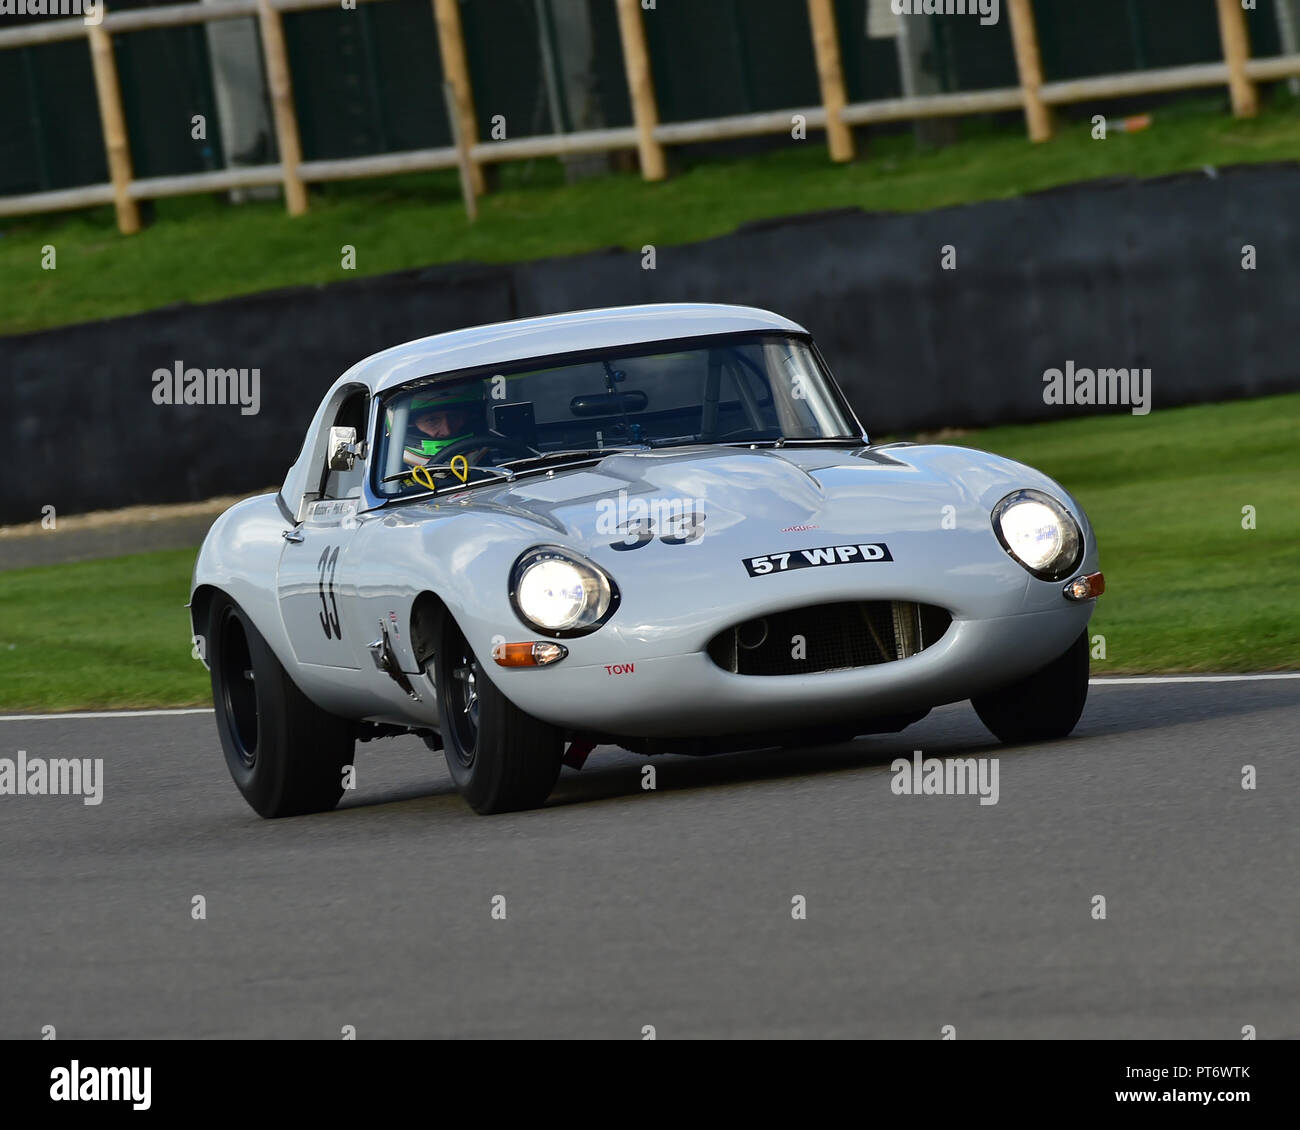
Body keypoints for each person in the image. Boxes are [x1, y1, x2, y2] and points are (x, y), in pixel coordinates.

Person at [401, 384, 490, 466]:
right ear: (411, 425)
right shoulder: (392, 471)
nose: (447, 431)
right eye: (432, 420)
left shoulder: (495, 462)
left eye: (454, 416)